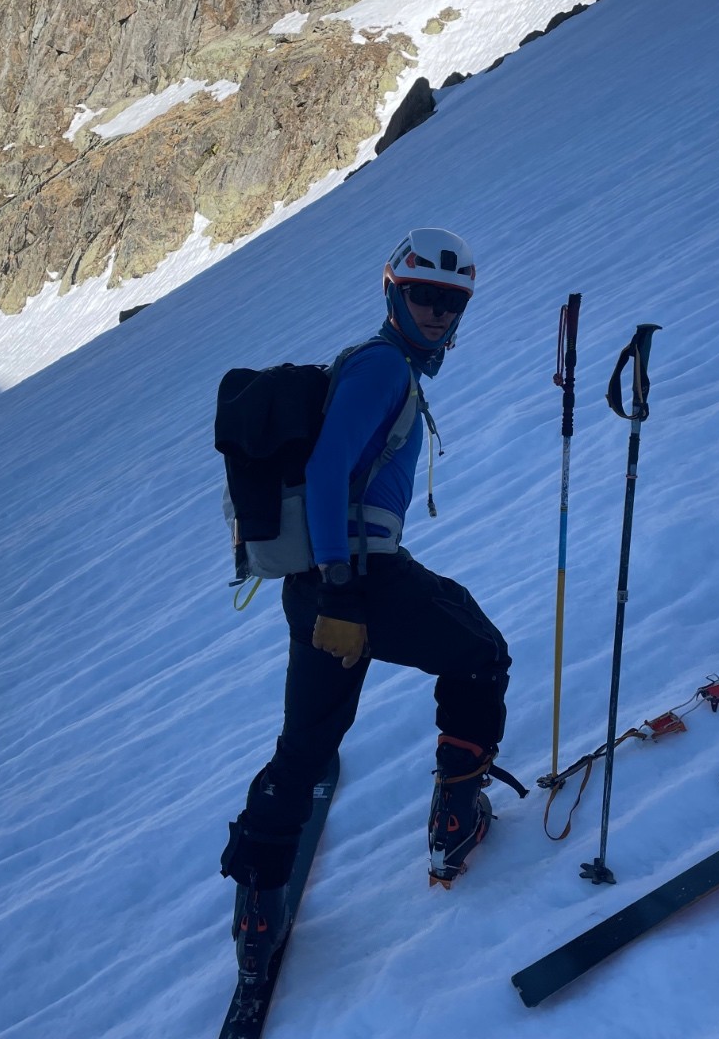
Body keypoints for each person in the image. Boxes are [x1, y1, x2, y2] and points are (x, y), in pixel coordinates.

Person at [220, 227, 519, 978]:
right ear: (393, 291)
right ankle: (456, 815)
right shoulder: (383, 368)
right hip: (358, 578)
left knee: (310, 744)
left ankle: (258, 900)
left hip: (321, 585)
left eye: (452, 302)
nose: (438, 313)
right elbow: (326, 475)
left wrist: (331, 589)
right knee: (481, 654)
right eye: (424, 295)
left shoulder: (382, 365)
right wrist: (347, 590)